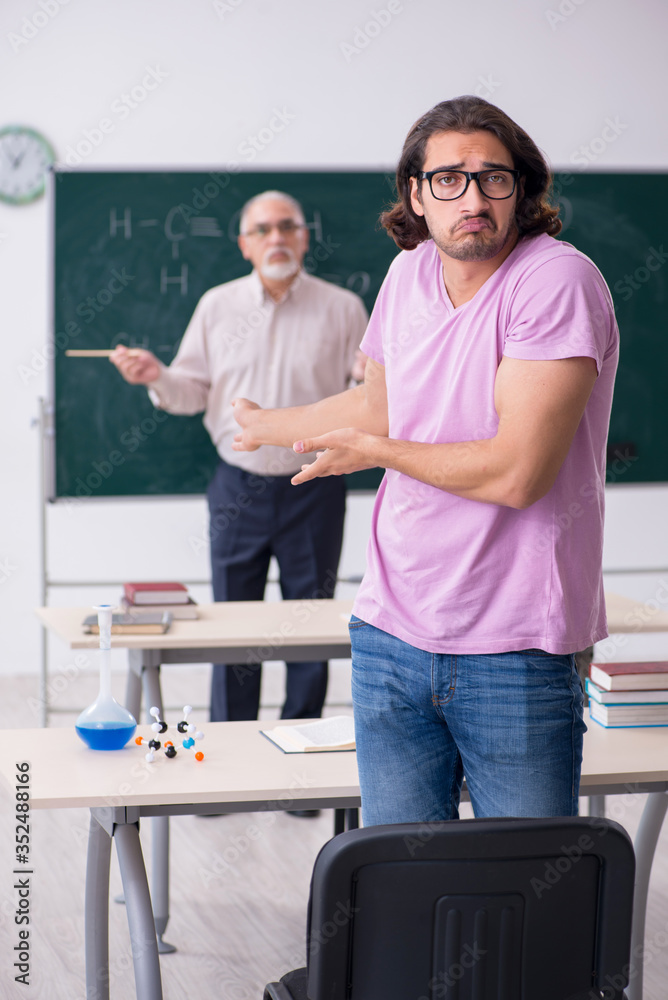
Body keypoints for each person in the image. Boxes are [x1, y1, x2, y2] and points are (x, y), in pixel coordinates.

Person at [231, 97, 619, 827]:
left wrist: (376, 455)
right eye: (448, 179)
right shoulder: (408, 272)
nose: (472, 200)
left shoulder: (554, 282)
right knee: (400, 874)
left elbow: (518, 474)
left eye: (493, 178)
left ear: (521, 189)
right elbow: (378, 405)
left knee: (522, 879)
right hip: (391, 632)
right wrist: (268, 425)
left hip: (514, 643)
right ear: (416, 192)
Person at [111, 190, 368, 726]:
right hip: (237, 487)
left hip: (314, 484)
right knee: (230, 626)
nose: (276, 238)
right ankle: (231, 739)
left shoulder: (343, 307)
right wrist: (157, 377)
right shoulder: (216, 306)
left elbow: (365, 395)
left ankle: (303, 742)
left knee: (310, 623)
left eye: (287, 226)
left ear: (304, 237)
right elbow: (192, 393)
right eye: (262, 230)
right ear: (244, 245)